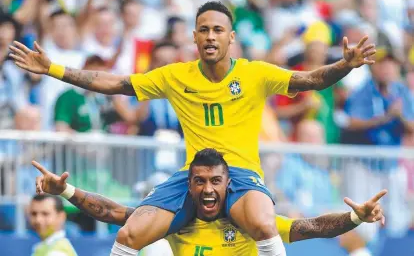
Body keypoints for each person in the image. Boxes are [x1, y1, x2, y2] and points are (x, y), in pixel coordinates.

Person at [9, 1, 377, 256]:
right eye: (204, 30)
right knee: (129, 233)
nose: (211, 36)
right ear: (195, 37)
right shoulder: (175, 76)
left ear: (231, 37)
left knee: (266, 225)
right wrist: (55, 69)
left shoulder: (255, 73)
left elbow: (312, 79)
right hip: (194, 174)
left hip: (242, 176)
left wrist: (344, 66)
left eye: (219, 30)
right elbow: (117, 84)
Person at [32, 148, 386, 255]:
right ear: (189, 185)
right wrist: (64, 190)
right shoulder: (174, 221)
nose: (207, 189)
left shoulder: (249, 223)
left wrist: (355, 219)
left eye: (215, 181)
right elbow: (114, 213)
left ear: (228, 184)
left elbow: (309, 227)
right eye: (199, 181)